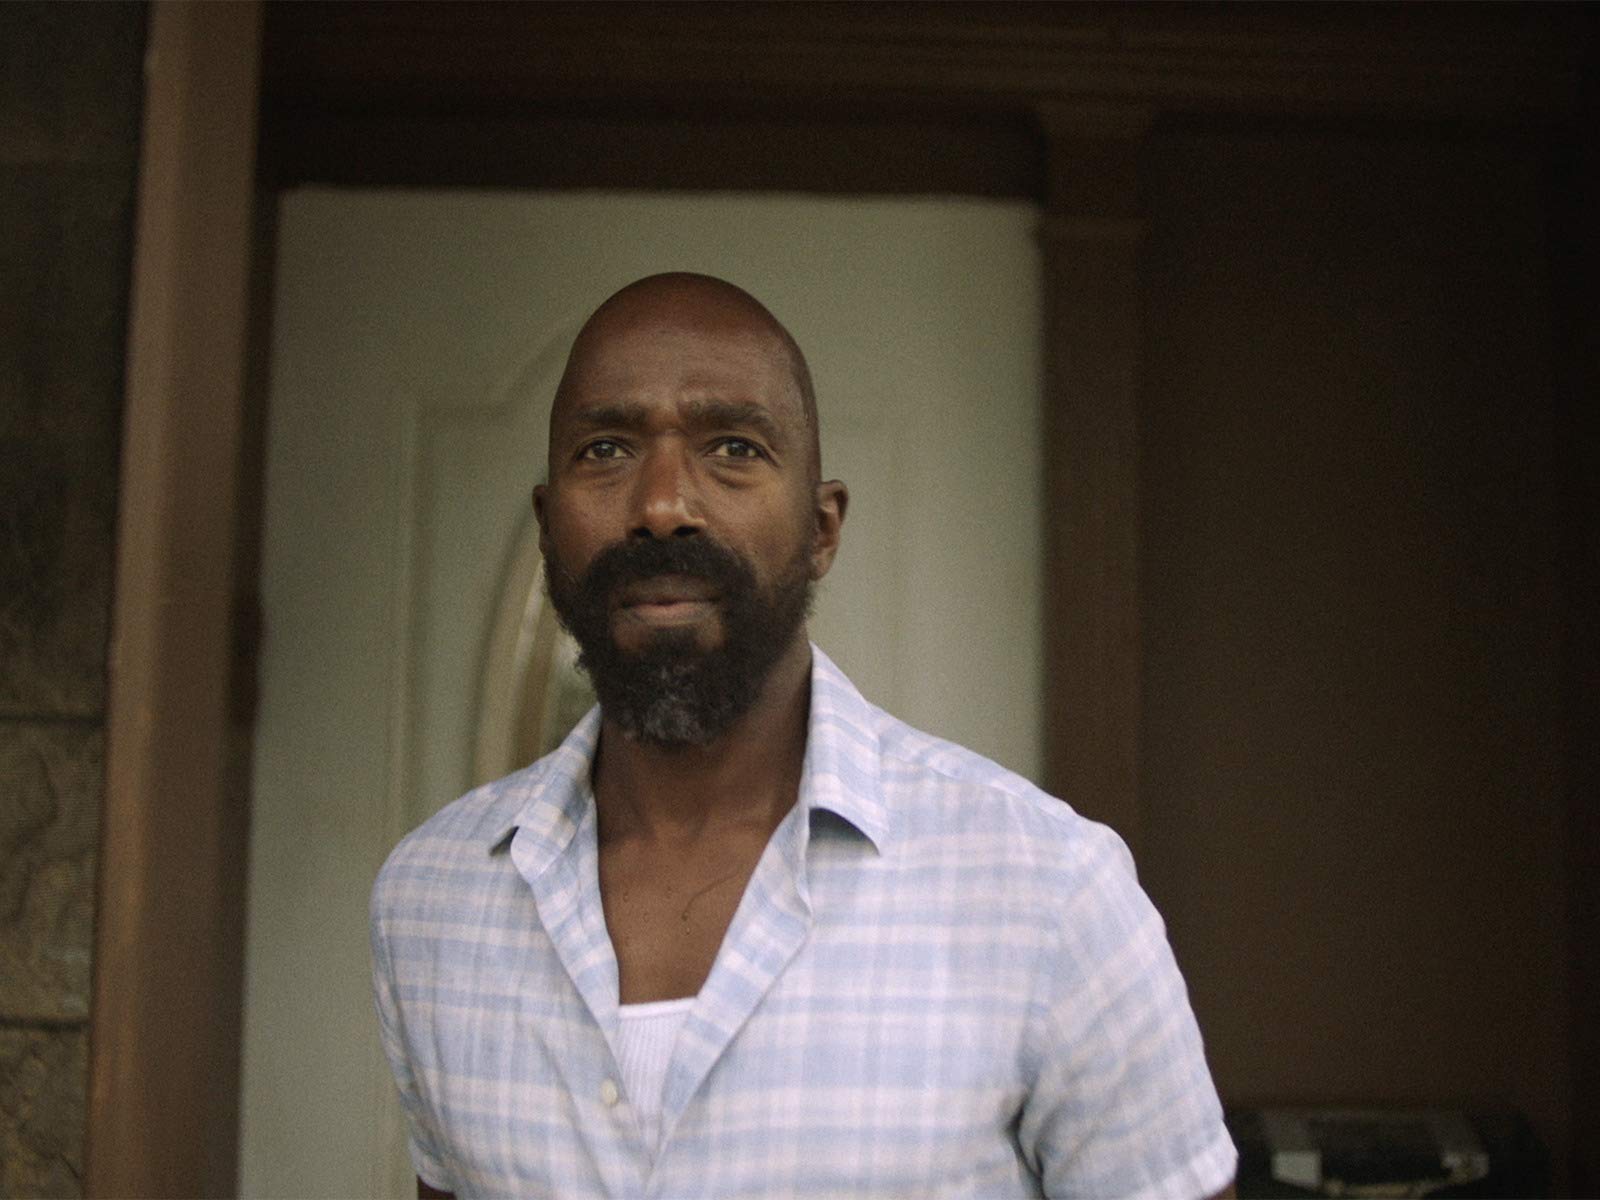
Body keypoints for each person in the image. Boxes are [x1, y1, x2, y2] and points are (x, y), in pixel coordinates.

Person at [370, 272, 1237, 1199]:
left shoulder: (1049, 891)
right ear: (549, 526)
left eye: (733, 448)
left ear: (822, 530)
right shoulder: (432, 901)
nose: (661, 505)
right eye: (607, 449)